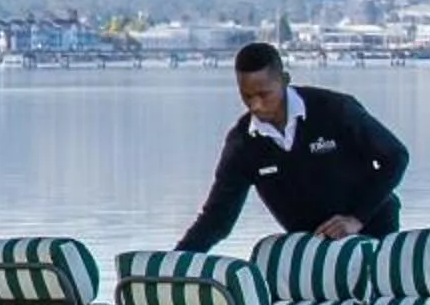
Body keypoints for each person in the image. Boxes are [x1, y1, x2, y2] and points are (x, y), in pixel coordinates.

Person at [174, 42, 409, 253]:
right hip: (314, 247)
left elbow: (396, 157)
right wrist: (176, 261)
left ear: (285, 80)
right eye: (247, 96)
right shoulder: (242, 144)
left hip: (374, 230)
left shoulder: (335, 109)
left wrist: (356, 218)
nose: (256, 105)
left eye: (264, 95)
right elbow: (217, 219)